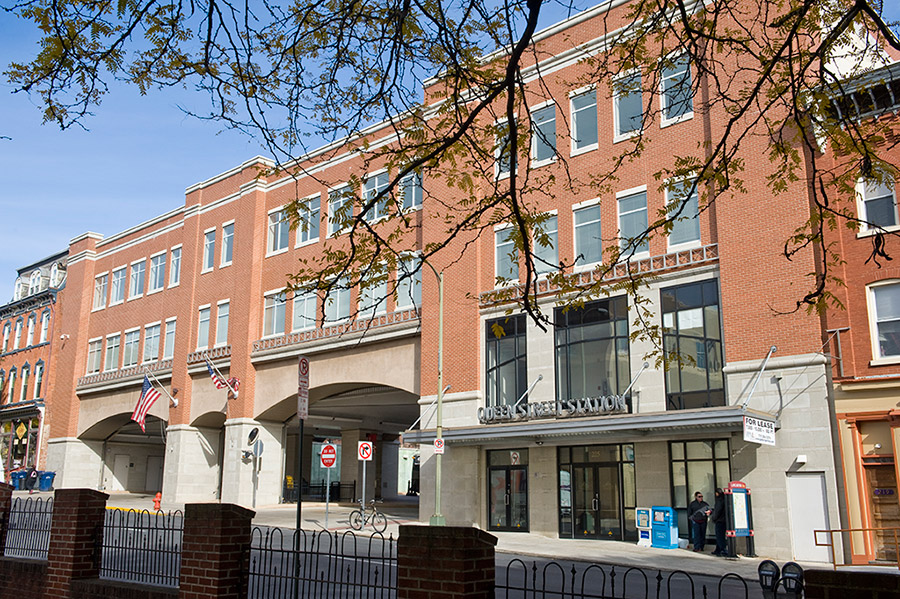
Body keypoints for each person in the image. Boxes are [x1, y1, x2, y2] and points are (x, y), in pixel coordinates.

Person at [711, 488, 727, 556]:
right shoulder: (725, 499)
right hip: (725, 520)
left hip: (720, 520)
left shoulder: (720, 500)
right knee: (720, 536)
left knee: (719, 536)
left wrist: (714, 518)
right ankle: (717, 549)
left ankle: (722, 549)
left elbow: (717, 511)